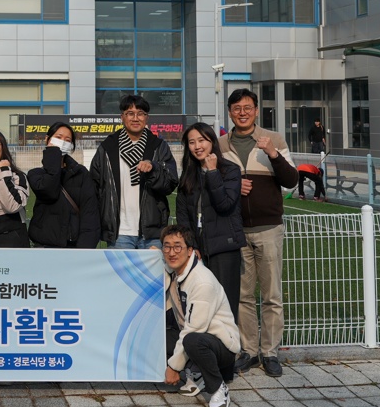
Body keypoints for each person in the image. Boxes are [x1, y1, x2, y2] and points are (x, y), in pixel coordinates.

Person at [222, 88, 298, 379]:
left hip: (268, 229)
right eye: (237, 108)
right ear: (230, 112)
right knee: (243, 296)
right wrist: (234, 187)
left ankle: (270, 352)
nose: (243, 112)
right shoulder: (220, 144)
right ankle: (249, 351)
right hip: (236, 230)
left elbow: (291, 180)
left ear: (256, 110)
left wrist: (272, 154)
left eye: (248, 107)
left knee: (271, 295)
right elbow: (215, 184)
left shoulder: (274, 139)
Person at [162, 224, 238, 407]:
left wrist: (173, 367)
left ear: (190, 251)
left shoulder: (202, 281)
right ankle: (196, 374)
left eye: (178, 246)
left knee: (192, 340)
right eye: (167, 246)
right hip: (199, 336)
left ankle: (218, 388)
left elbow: (195, 328)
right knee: (159, 336)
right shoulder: (176, 271)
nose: (172, 252)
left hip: (222, 345)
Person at [176, 121, 245, 326]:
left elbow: (225, 204)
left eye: (202, 140)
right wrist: (191, 246)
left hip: (224, 249)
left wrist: (213, 172)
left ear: (212, 142)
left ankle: (227, 353)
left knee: (224, 306)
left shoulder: (230, 171)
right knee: (199, 304)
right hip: (198, 252)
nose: (197, 146)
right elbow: (183, 214)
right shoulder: (188, 174)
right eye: (191, 142)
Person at [89, 94, 177, 249]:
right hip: (119, 233)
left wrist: (153, 170)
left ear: (147, 118)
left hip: (152, 233)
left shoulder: (158, 146)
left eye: (141, 113)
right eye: (130, 113)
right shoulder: (107, 148)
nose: (136, 118)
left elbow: (170, 184)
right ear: (122, 117)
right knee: (119, 274)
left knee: (153, 274)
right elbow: (95, 188)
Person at [27, 122, 100, 249]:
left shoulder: (81, 173)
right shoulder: (36, 174)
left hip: (73, 247)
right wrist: (52, 154)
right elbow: (49, 191)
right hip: (44, 247)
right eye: (58, 137)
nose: (62, 142)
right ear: (47, 139)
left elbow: (90, 215)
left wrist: (84, 251)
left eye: (68, 140)